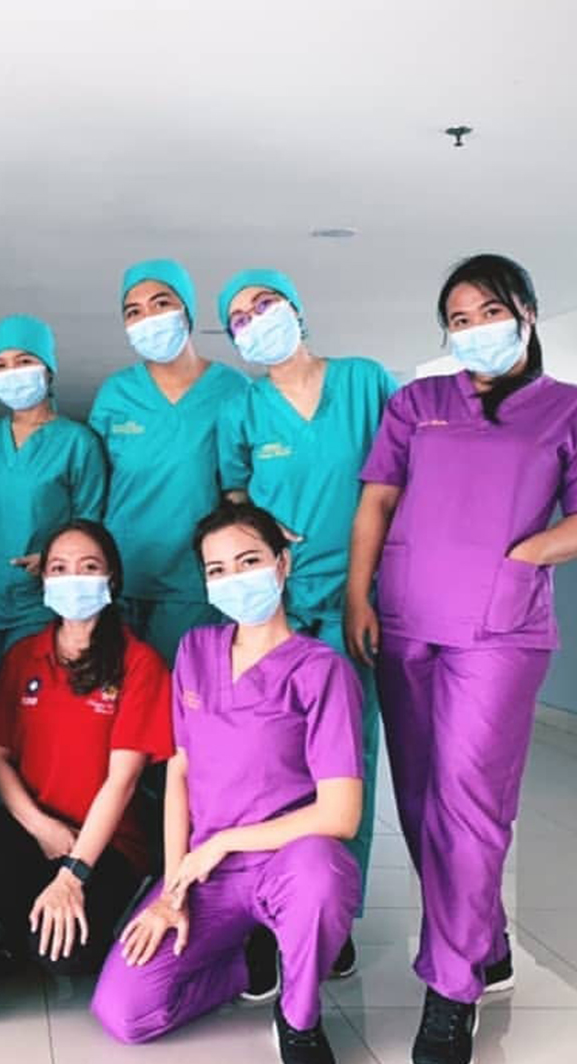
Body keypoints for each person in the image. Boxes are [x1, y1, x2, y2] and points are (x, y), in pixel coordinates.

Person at [346, 253, 577, 1064]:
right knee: (417, 800)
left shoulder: (563, 410)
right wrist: (357, 595)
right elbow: (377, 497)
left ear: (527, 311)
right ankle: (488, 941)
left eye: (489, 310)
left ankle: (452, 990)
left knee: (469, 805)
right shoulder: (418, 404)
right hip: (407, 624)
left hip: (499, 632)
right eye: (458, 316)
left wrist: (528, 555)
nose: (474, 328)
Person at [92, 502, 363, 1064]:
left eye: (249, 561)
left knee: (320, 876)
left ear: (282, 564)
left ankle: (299, 1016)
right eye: (217, 570)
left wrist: (226, 842)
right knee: (123, 1012)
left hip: (287, 862)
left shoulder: (321, 671)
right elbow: (181, 776)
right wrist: (171, 889)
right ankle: (249, 962)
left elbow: (341, 814)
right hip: (206, 869)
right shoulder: (195, 652)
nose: (235, 579)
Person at [216, 267, 397, 985]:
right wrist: (257, 524)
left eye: (264, 304)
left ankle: (333, 918)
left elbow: (393, 484)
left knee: (347, 761)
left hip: (357, 602)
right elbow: (233, 492)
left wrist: (360, 595)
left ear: (296, 307)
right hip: (275, 611)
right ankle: (267, 917)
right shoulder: (246, 409)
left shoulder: (363, 382)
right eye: (237, 318)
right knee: (269, 764)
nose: (255, 320)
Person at [0, 520, 173, 974]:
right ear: (44, 580)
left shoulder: (139, 664)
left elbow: (124, 779)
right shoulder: (24, 656)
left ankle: (92, 912)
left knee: (69, 960)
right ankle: (36, 922)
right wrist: (40, 827)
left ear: (111, 579)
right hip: (40, 825)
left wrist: (74, 874)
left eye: (88, 567)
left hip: (108, 839)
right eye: (59, 567)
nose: (73, 578)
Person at [0, 315, 106, 811]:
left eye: (25, 361)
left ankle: (43, 827)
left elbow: (91, 523)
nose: (12, 372)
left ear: (49, 371)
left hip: (37, 601)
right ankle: (6, 826)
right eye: (0, 364)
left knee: (30, 721)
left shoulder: (78, 443)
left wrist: (52, 559)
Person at [89, 258, 248, 665]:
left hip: (193, 578)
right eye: (134, 311)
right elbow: (91, 486)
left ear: (187, 310)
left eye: (161, 303)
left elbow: (242, 486)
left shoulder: (232, 390)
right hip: (121, 573)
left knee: (181, 699)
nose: (149, 319)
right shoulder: (116, 394)